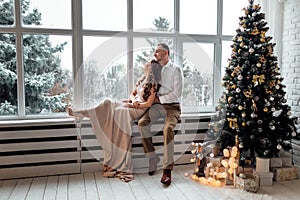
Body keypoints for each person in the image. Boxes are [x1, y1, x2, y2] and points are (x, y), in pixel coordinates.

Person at [67, 60, 162, 182]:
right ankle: (81, 112)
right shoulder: (142, 80)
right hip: (132, 104)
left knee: (119, 111)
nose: (145, 65)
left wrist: (136, 105)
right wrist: (132, 100)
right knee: (107, 103)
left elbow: (148, 104)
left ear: (152, 68)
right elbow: (132, 94)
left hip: (138, 109)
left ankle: (120, 163)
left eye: (148, 64)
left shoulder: (153, 84)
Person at [138, 43, 183, 186]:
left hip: (172, 107)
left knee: (167, 129)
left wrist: (159, 99)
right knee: (142, 123)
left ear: (166, 53)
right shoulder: (154, 69)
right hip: (157, 107)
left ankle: (167, 170)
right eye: (154, 52)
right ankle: (152, 158)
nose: (155, 54)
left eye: (158, 52)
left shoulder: (176, 69)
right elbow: (144, 85)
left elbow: (177, 93)